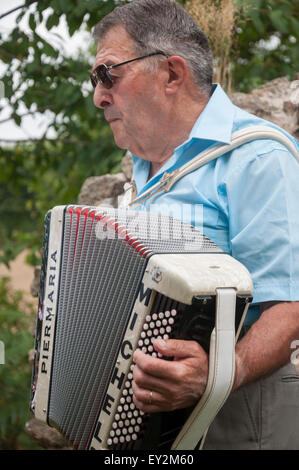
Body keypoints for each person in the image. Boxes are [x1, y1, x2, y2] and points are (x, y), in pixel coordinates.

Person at [90, 0, 299, 450]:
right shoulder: (143, 173)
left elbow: (290, 306)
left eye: (108, 75)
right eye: (95, 80)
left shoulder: (257, 158)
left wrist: (220, 374)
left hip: (240, 420)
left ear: (171, 74)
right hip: (154, 426)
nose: (98, 96)